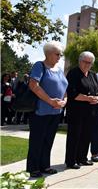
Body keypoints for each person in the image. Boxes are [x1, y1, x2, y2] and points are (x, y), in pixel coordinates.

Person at [26, 41, 68, 178]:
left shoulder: (59, 70)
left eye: (60, 54)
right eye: (57, 54)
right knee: (37, 140)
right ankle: (34, 168)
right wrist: (51, 101)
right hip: (41, 111)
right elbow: (33, 85)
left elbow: (65, 88)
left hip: (56, 111)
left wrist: (64, 101)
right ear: (48, 53)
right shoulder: (40, 66)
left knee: (48, 140)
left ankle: (45, 166)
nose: (60, 57)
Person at [65, 51, 98, 169]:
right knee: (74, 136)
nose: (87, 65)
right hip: (76, 112)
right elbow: (72, 93)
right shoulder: (73, 73)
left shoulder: (93, 75)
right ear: (79, 61)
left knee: (87, 136)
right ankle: (71, 161)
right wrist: (88, 98)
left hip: (91, 112)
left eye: (90, 63)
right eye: (85, 62)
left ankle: (82, 158)